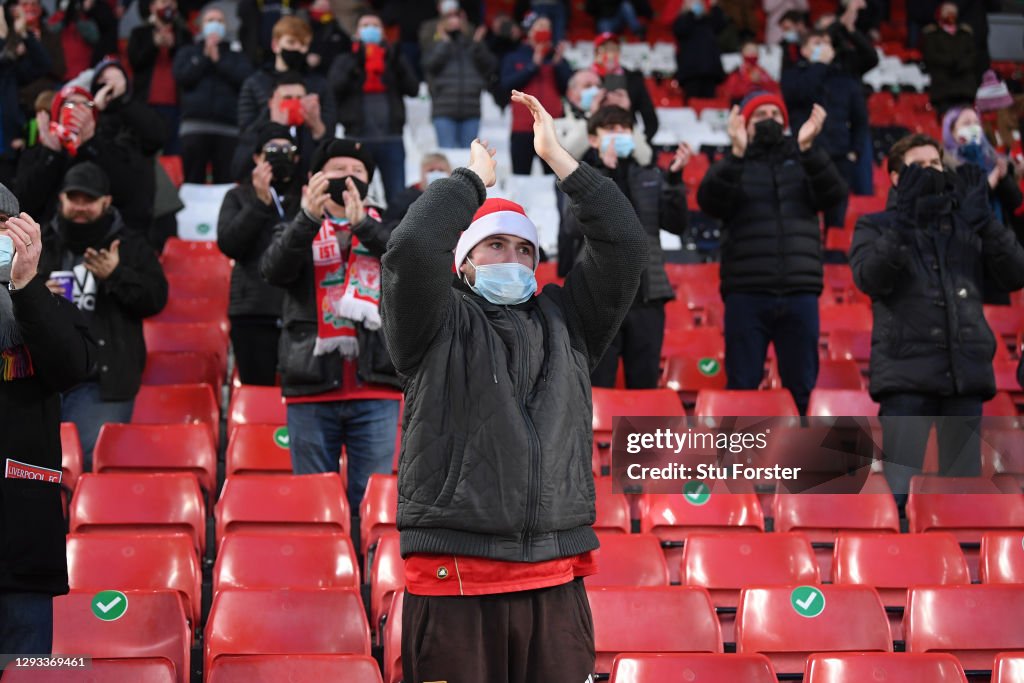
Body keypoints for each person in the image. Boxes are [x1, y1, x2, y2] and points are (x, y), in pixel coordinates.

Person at [382, 89, 647, 683]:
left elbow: (627, 249)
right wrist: (469, 183)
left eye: (524, 249)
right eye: (495, 245)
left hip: (555, 572)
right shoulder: (432, 321)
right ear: (465, 261)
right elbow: (410, 251)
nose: (512, 257)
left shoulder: (570, 320)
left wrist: (562, 161)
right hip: (455, 574)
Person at [849, 134, 1024, 505]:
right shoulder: (875, 225)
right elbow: (871, 278)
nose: (931, 170)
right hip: (906, 376)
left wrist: (986, 224)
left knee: (961, 497)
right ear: (896, 176)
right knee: (900, 491)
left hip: (964, 377)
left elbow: (1015, 275)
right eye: (920, 164)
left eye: (936, 163)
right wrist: (905, 221)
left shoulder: (966, 223)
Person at [259, 137, 401, 512]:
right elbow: (273, 269)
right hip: (311, 388)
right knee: (312, 506)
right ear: (316, 178)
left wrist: (362, 227)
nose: (349, 177)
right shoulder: (293, 227)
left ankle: (367, 573)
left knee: (372, 508)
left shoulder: (388, 228)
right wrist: (306, 219)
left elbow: (408, 261)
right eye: (339, 169)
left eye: (358, 172)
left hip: (376, 389)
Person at [697, 92, 846, 415]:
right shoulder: (734, 163)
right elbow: (710, 202)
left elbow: (833, 195)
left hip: (800, 291)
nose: (769, 120)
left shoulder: (804, 160)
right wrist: (736, 155)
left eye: (775, 115)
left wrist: (808, 149)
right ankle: (739, 463)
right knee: (742, 386)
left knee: (801, 388)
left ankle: (798, 460)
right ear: (745, 125)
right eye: (760, 114)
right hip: (746, 293)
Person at [0, 185, 94, 666]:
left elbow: (73, 368)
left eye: (4, 224)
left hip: (22, 548)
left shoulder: (46, 303)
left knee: (26, 674)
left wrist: (27, 284)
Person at [37, 163, 167, 469]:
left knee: (78, 463)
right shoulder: (40, 241)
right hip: (42, 378)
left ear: (106, 201)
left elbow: (156, 299)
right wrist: (35, 292)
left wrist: (116, 275)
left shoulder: (130, 244)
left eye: (89, 200)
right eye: (74, 198)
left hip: (102, 379)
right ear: (61, 199)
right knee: (36, 465)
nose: (80, 207)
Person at [565, 105, 688, 389]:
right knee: (597, 387)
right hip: (600, 301)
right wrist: (605, 173)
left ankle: (639, 437)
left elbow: (676, 224)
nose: (619, 134)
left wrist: (674, 182)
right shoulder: (581, 178)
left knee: (644, 388)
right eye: (611, 129)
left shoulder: (650, 176)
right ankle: (597, 436)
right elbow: (572, 227)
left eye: (625, 129)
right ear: (593, 139)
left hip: (647, 298)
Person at [14, 78, 166, 236]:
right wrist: (52, 154)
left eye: (85, 105)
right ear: (57, 114)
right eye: (70, 104)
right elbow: (24, 204)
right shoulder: (38, 153)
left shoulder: (109, 148)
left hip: (102, 239)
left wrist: (89, 144)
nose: (78, 111)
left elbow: (127, 193)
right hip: (50, 241)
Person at [217, 123, 300, 386]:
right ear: (256, 157)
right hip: (253, 311)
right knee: (257, 394)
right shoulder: (238, 196)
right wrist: (259, 203)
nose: (279, 156)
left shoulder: (307, 198)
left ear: (296, 157)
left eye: (287, 150)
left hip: (299, 312)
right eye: (272, 150)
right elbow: (230, 244)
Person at [328, 12, 419, 204]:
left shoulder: (394, 58)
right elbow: (334, 89)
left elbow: (413, 89)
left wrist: (395, 62)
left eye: (375, 25)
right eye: (365, 25)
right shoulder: (345, 58)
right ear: (357, 32)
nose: (371, 29)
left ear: (383, 32)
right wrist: (356, 62)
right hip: (357, 139)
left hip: (391, 138)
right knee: (355, 197)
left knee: (397, 198)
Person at [782, 28, 868, 229]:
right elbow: (799, 94)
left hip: (839, 159)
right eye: (816, 43)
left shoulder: (846, 80)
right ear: (803, 50)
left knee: (836, 219)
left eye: (826, 43)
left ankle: (833, 257)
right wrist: (819, 65)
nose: (822, 47)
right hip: (803, 156)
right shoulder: (792, 75)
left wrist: (854, 152)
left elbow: (860, 121)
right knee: (802, 219)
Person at [173, 4, 254, 184]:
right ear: (201, 25)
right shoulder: (188, 51)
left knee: (225, 185)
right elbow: (182, 77)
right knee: (192, 182)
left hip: (228, 129)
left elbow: (245, 79)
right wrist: (203, 57)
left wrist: (219, 60)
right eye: (210, 20)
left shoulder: (236, 55)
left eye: (219, 21)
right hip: (194, 127)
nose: (215, 24)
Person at [237, 16, 336, 137]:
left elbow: (328, 134)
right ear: (275, 45)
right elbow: (246, 132)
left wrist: (314, 121)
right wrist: (273, 109)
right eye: (291, 42)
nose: (298, 49)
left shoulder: (320, 85)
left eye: (304, 44)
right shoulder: (255, 83)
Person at [500, 15, 571, 174]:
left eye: (547, 27)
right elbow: (507, 85)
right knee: (520, 177)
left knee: (557, 178)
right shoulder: (514, 57)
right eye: (539, 26)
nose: (544, 30)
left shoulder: (556, 58)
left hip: (552, 128)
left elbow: (567, 88)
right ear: (529, 31)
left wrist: (558, 64)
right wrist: (533, 66)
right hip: (523, 127)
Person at [421, 1, 497, 148]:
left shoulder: (472, 42)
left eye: (457, 17)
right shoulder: (434, 39)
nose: (454, 21)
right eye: (449, 17)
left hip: (471, 109)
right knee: (448, 158)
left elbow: (490, 66)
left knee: (467, 160)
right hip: (443, 109)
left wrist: (476, 42)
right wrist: (444, 41)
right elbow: (429, 65)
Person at [232, 72, 329, 181]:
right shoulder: (255, 130)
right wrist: (276, 128)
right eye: (288, 98)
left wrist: (318, 130)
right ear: (271, 102)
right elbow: (239, 170)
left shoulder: (308, 130)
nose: (294, 103)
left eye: (299, 98)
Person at [127, 0, 192, 155]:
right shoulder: (139, 33)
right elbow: (135, 62)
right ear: (152, 7)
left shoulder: (184, 34)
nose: (168, 6)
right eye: (163, 1)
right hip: (145, 104)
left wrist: (174, 46)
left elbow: (190, 68)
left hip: (177, 107)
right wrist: (153, 44)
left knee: (174, 155)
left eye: (172, 2)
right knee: (144, 153)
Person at [554, 68, 652, 165]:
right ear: (570, 93)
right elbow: (567, 156)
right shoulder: (558, 122)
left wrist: (623, 114)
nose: (595, 90)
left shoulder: (613, 119)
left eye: (599, 86)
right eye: (587, 86)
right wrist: (594, 116)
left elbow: (645, 158)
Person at [591, 32, 658, 141]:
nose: (610, 54)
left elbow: (650, 118)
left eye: (613, 49)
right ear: (596, 53)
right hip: (594, 141)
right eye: (605, 49)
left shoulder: (633, 79)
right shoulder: (585, 78)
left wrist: (641, 143)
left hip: (625, 139)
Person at [921, 3, 978, 114]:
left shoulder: (965, 34)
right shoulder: (932, 34)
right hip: (943, 89)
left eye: (953, 12)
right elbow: (930, 56)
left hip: (964, 88)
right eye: (947, 11)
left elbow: (973, 56)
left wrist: (961, 64)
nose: (950, 14)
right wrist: (950, 62)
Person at [672, 0, 726, 99]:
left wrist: (715, 6)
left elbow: (720, 24)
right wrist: (690, 13)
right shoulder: (681, 20)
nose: (696, 5)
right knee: (693, 104)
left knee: (709, 107)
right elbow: (681, 29)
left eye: (699, 2)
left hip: (710, 72)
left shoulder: (707, 22)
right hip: (691, 74)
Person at [383, 151, 451, 224]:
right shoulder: (406, 198)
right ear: (422, 173)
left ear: (449, 173)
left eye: (441, 170)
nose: (436, 174)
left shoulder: (458, 196)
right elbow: (388, 222)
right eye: (431, 170)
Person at [720, 38, 780, 105]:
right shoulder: (737, 72)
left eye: (754, 51)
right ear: (742, 53)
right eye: (749, 50)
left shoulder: (763, 72)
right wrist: (750, 81)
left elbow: (774, 89)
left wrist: (761, 82)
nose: (751, 53)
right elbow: (731, 92)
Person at [585, 0, 649, 38]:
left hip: (617, 18)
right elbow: (589, 8)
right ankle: (608, 41)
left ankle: (637, 30)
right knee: (605, 26)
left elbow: (634, 3)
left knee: (626, 5)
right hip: (603, 19)